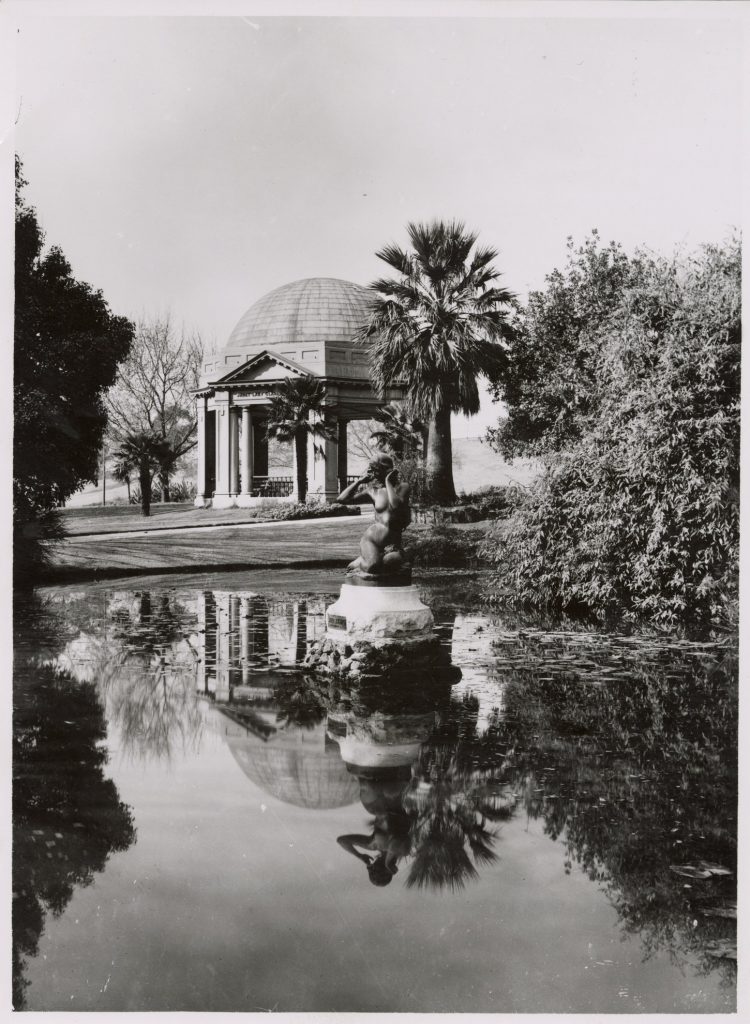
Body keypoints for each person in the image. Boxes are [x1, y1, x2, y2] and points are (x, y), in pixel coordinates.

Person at [335, 454, 411, 575]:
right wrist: (359, 482)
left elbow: (395, 506)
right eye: (372, 470)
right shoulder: (373, 491)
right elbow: (341, 499)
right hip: (372, 540)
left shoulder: (403, 487)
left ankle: (373, 558)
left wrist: (388, 482)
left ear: (387, 470)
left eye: (376, 470)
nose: (373, 473)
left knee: (390, 563)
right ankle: (360, 562)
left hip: (392, 544)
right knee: (372, 566)